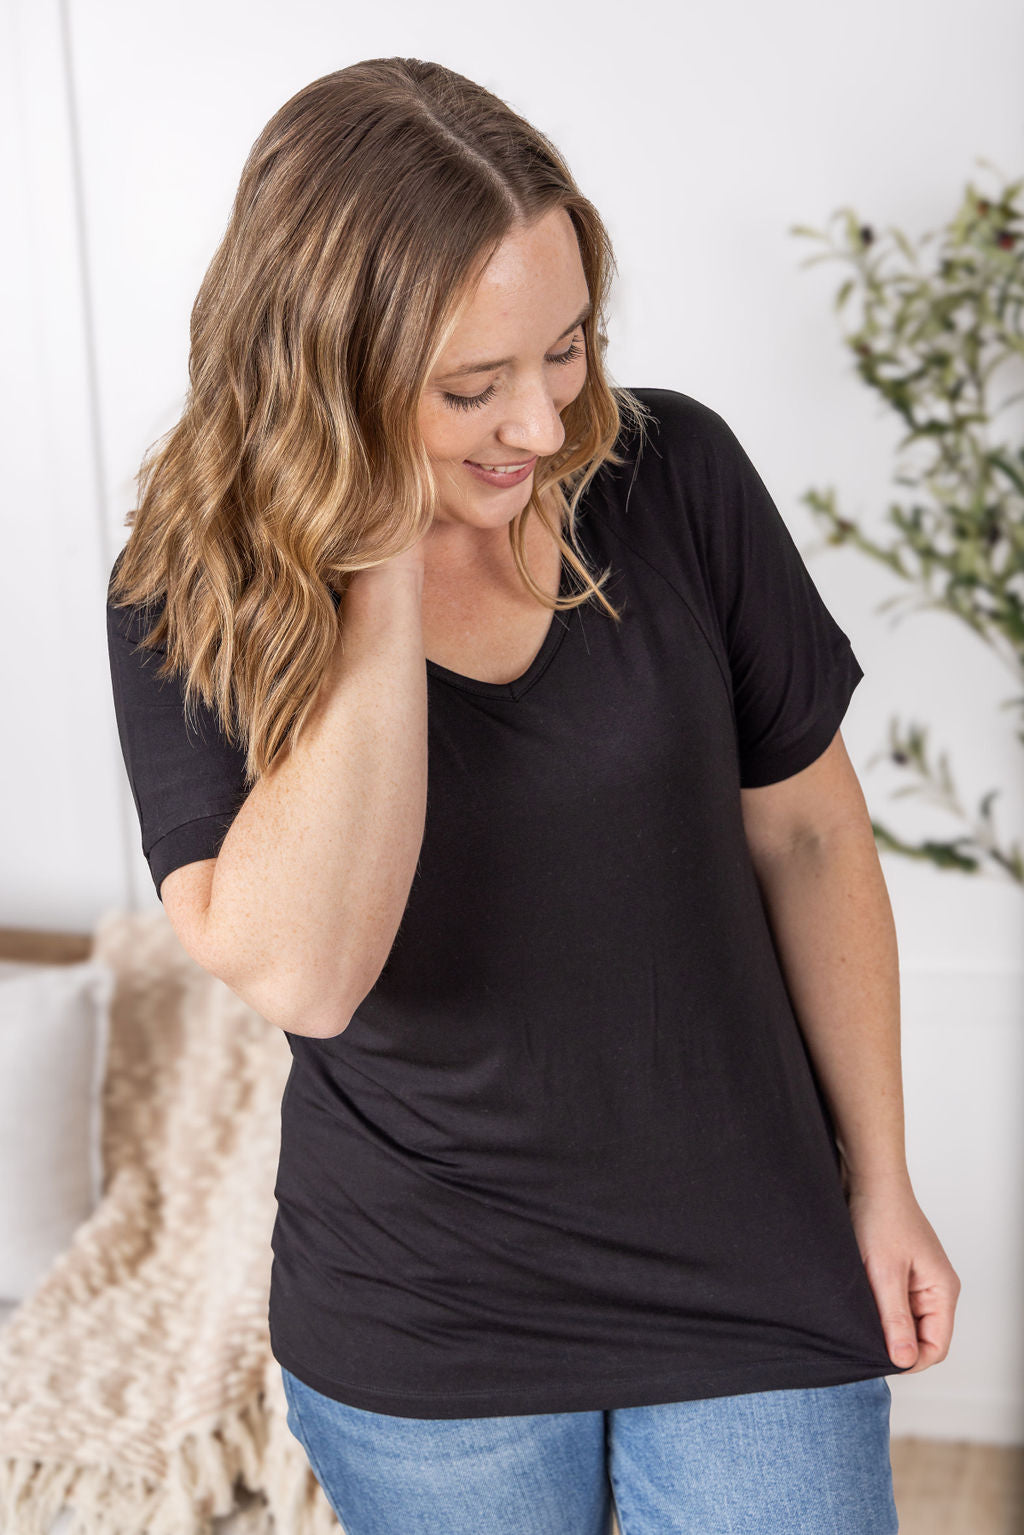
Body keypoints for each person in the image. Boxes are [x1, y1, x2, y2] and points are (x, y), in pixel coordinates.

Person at [105, 57, 960, 1535]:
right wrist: (377, 557)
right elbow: (308, 973)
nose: (544, 426)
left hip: (751, 1258)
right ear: (329, 374)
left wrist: (881, 1179)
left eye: (564, 350)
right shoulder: (195, 592)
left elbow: (813, 835)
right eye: (469, 388)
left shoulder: (673, 477)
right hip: (428, 1318)